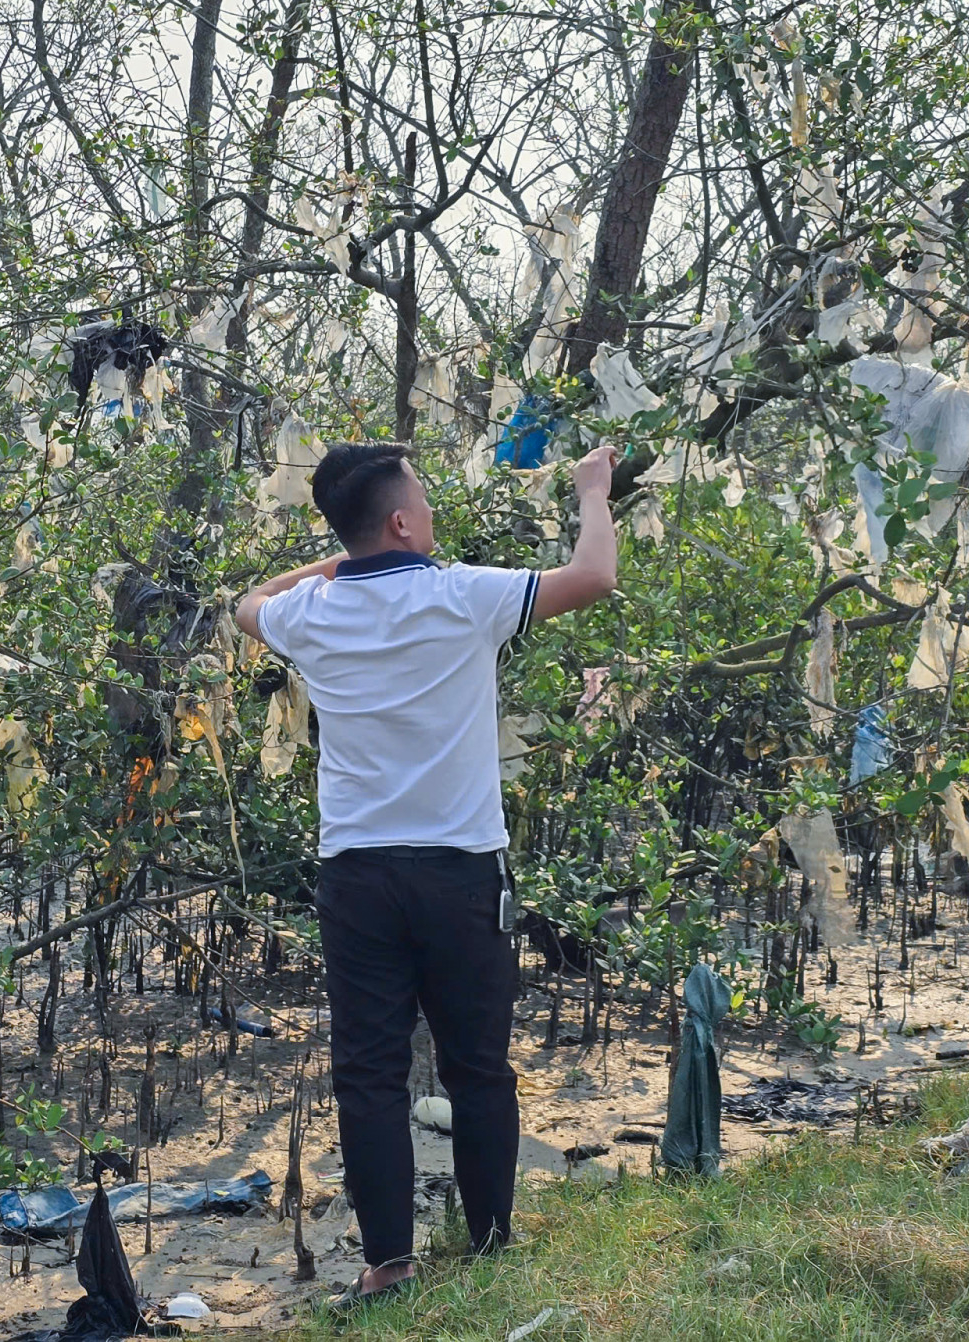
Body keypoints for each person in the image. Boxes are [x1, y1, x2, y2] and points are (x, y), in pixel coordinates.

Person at [235, 441, 620, 1307]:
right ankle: (488, 1247)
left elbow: (245, 604)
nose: (434, 514)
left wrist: (340, 557)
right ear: (404, 521)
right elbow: (593, 574)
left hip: (357, 878)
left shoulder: (314, 615)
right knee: (476, 1068)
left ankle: (389, 1265)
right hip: (461, 875)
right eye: (424, 502)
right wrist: (593, 491)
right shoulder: (462, 594)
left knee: (368, 1073)